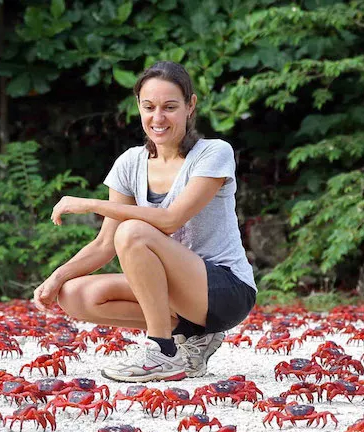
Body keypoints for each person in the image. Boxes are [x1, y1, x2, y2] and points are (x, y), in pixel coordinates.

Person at [35, 60, 257, 383]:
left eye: (170, 107)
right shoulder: (129, 164)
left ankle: (162, 351)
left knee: (134, 232)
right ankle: (192, 336)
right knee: (73, 295)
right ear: (138, 107)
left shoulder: (214, 153)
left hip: (225, 290)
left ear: (190, 106)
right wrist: (56, 277)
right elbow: (104, 244)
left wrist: (89, 204)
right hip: (177, 295)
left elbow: (168, 220)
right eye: (149, 107)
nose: (158, 118)